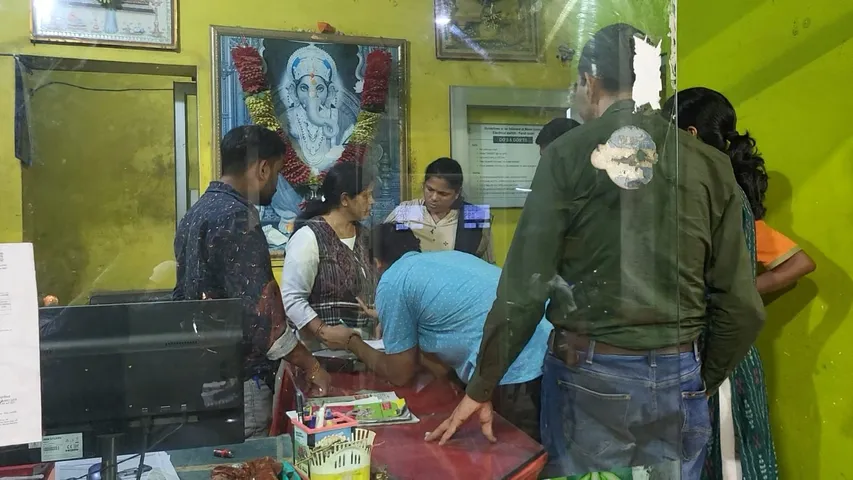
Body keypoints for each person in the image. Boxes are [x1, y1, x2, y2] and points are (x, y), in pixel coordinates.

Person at [425, 23, 765, 480]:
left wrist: (481, 385)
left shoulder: (567, 155)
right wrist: (699, 378)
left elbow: (525, 289)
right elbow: (741, 304)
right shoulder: (708, 164)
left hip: (591, 375)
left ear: (590, 80)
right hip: (680, 369)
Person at [663, 86, 815, 480]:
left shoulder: (718, 201)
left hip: (718, 355)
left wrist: (734, 294)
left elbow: (798, 264)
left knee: (726, 457)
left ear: (690, 135)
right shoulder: (719, 196)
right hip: (721, 351)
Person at [322, 223, 552, 441]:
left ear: (376, 262)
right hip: (548, 347)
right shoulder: (446, 259)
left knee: (517, 453)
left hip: (515, 367)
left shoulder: (393, 281)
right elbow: (442, 359)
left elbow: (399, 373)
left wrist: (351, 342)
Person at [173, 125, 329, 438]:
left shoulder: (197, 212)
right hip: (241, 382)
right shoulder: (237, 217)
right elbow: (263, 317)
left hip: (201, 375)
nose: (276, 182)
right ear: (262, 168)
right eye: (278, 172)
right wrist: (310, 364)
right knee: (252, 460)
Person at [280, 161, 379, 352]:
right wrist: (322, 331)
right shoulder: (309, 237)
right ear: (345, 199)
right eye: (366, 195)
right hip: (321, 351)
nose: (372, 201)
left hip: (365, 349)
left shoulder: (366, 237)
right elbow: (292, 299)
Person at [385, 157, 494, 263]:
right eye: (430, 189)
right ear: (423, 185)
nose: (434, 198)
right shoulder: (407, 211)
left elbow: (486, 266)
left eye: (443, 194)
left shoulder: (474, 218)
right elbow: (382, 251)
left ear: (457, 193)